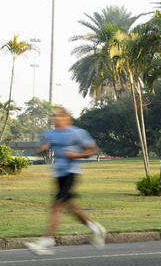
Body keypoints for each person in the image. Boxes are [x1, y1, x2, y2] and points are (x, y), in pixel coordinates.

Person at [25, 108, 106, 255]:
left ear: (65, 117)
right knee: (72, 209)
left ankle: (45, 241)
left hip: (71, 173)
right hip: (58, 174)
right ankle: (96, 229)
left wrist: (76, 155)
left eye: (57, 116)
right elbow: (40, 150)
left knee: (56, 206)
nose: (54, 119)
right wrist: (42, 150)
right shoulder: (50, 133)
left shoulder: (77, 132)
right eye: (53, 116)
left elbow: (93, 150)